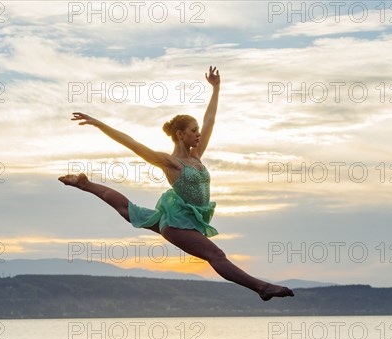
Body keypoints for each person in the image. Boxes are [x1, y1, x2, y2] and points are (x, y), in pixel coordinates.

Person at [59, 66, 294, 301]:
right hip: (177, 225)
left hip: (189, 217)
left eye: (198, 131)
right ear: (180, 134)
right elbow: (132, 143)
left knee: (129, 211)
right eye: (193, 131)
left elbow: (210, 119)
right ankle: (262, 288)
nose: (198, 135)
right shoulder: (171, 163)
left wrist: (216, 88)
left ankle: (84, 184)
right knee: (216, 255)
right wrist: (99, 124)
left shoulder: (196, 155)